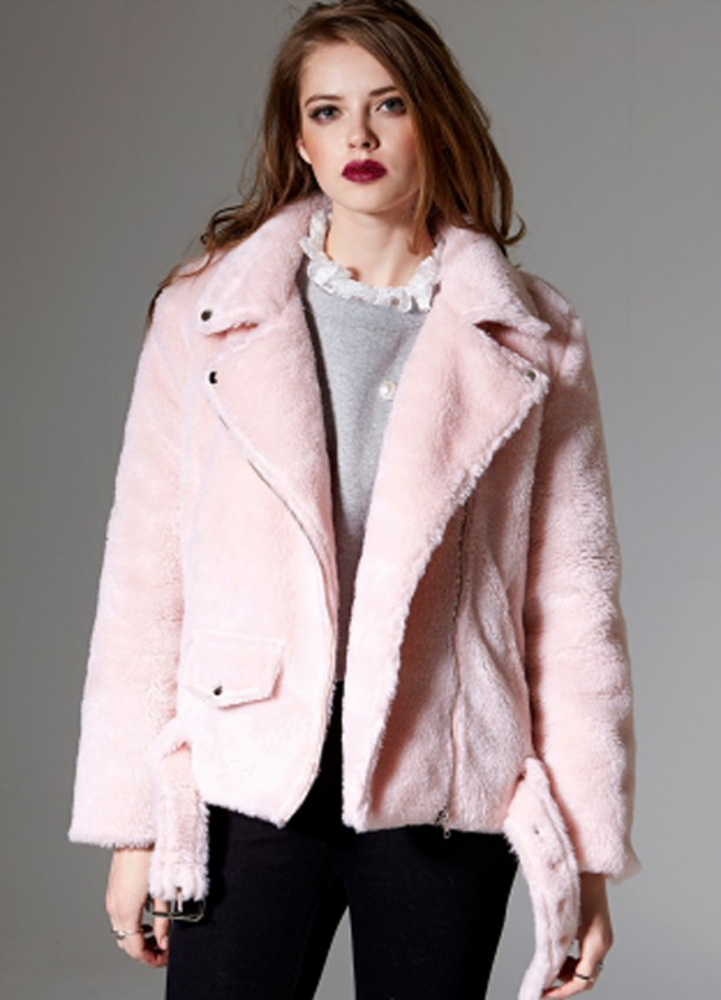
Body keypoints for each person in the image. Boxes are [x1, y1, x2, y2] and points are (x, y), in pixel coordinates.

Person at [69, 2, 639, 998]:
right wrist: (131, 827)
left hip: (444, 785)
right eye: (327, 112)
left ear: (436, 120)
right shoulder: (205, 314)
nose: (358, 137)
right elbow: (146, 576)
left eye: (388, 105)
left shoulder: (532, 335)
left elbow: (573, 608)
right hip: (246, 779)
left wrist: (585, 860)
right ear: (298, 139)